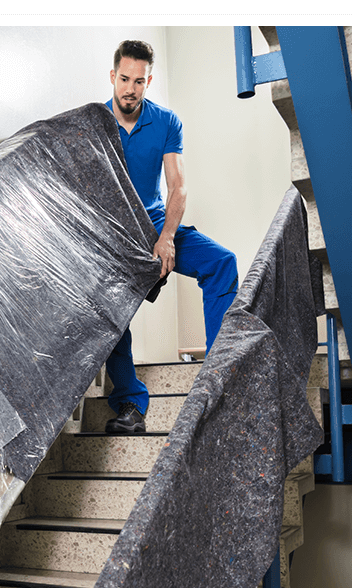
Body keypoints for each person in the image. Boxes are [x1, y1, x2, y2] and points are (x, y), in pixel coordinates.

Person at [103, 40, 239, 434]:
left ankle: (217, 381)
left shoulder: (166, 122)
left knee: (221, 262)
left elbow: (177, 187)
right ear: (113, 77)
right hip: (115, 238)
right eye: (124, 79)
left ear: (149, 81)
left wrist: (165, 238)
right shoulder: (94, 124)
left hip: (157, 224)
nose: (130, 88)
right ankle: (130, 403)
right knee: (108, 315)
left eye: (139, 81)